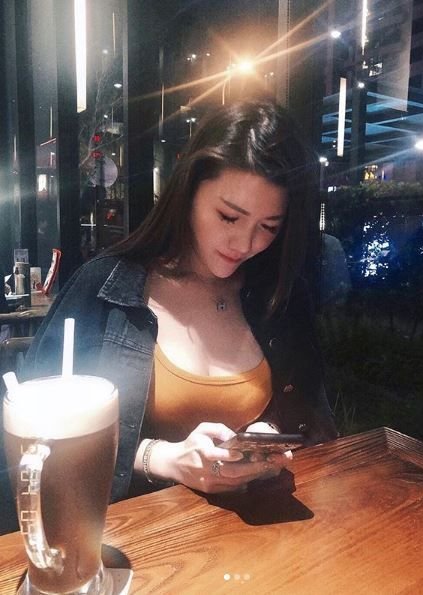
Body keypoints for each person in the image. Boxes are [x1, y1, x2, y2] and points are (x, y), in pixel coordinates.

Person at [22, 99, 337, 502]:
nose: (244, 243)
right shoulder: (105, 287)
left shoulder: (279, 296)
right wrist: (162, 458)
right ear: (189, 189)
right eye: (228, 217)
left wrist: (268, 434)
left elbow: (314, 420)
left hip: (259, 528)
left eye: (268, 227)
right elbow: (35, 439)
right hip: (136, 530)